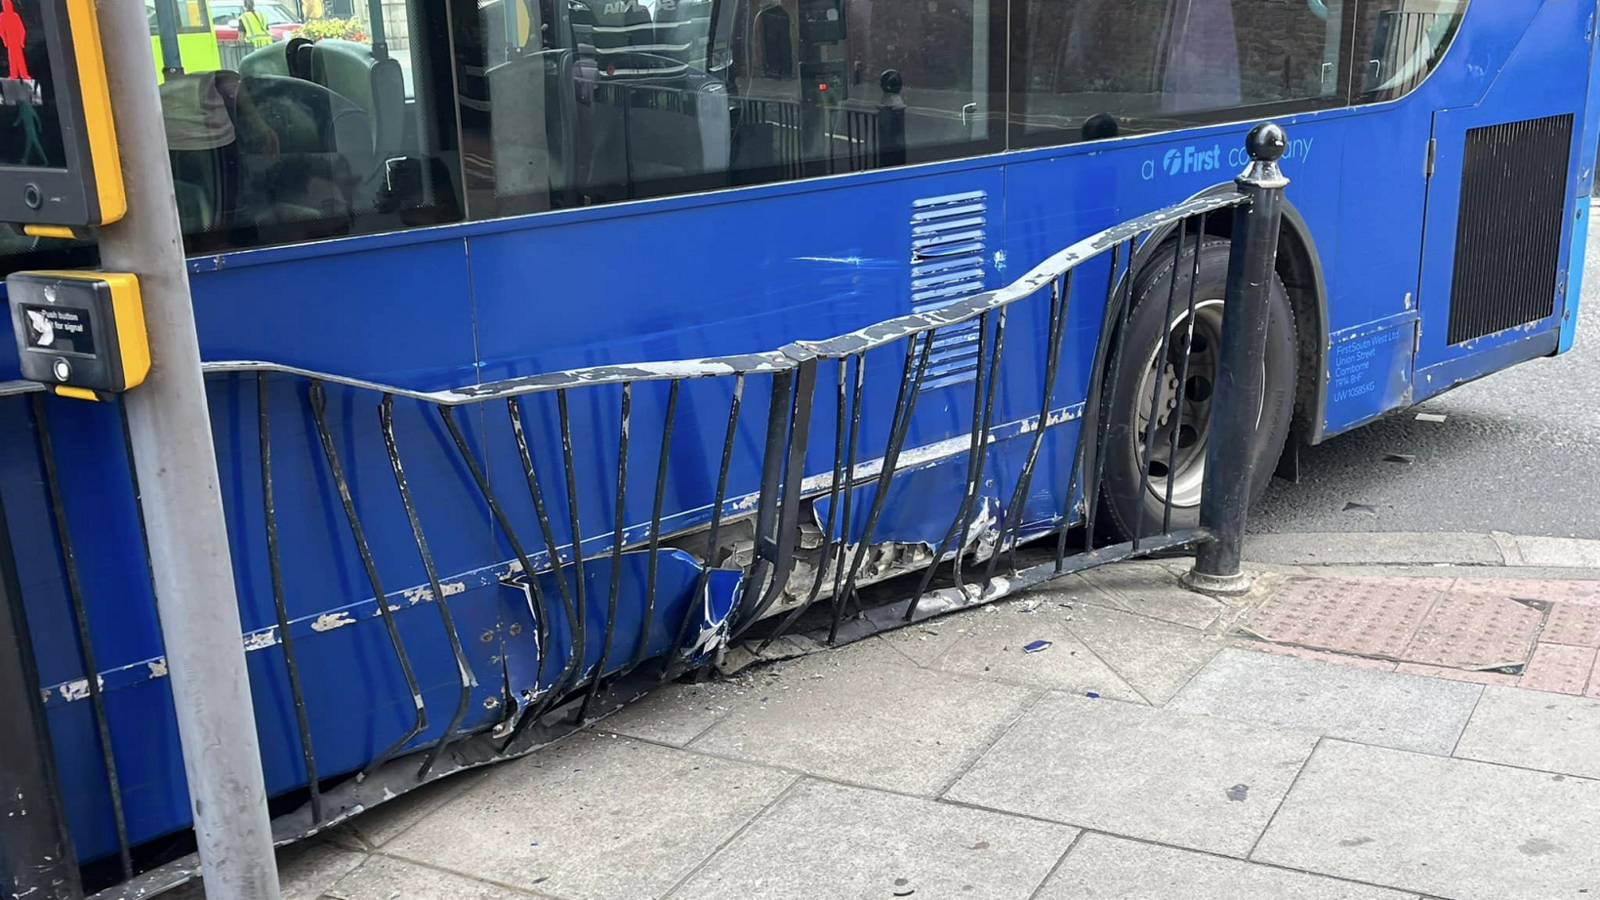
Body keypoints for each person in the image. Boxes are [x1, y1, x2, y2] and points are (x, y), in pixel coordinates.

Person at [0, 0, 30, 81]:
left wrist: (21, 41)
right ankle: (13, 74)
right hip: (10, 40)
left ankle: (24, 74)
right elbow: (1, 31)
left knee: (20, 58)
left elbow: (22, 30)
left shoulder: (15, 16)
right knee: (12, 58)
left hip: (16, 39)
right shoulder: (2, 17)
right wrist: (5, 41)